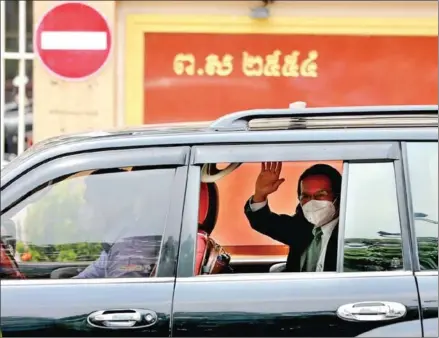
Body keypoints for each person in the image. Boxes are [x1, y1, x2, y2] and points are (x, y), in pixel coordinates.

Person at [244, 162, 342, 273]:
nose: (312, 202)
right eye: (305, 196)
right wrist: (260, 194)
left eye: (321, 194)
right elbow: (263, 221)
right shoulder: (301, 226)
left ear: (338, 196)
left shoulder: (348, 234)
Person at [73, 168, 161, 279]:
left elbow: (121, 295)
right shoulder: (117, 242)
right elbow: (84, 279)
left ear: (112, 203)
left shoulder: (129, 249)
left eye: (89, 201)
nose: (82, 210)